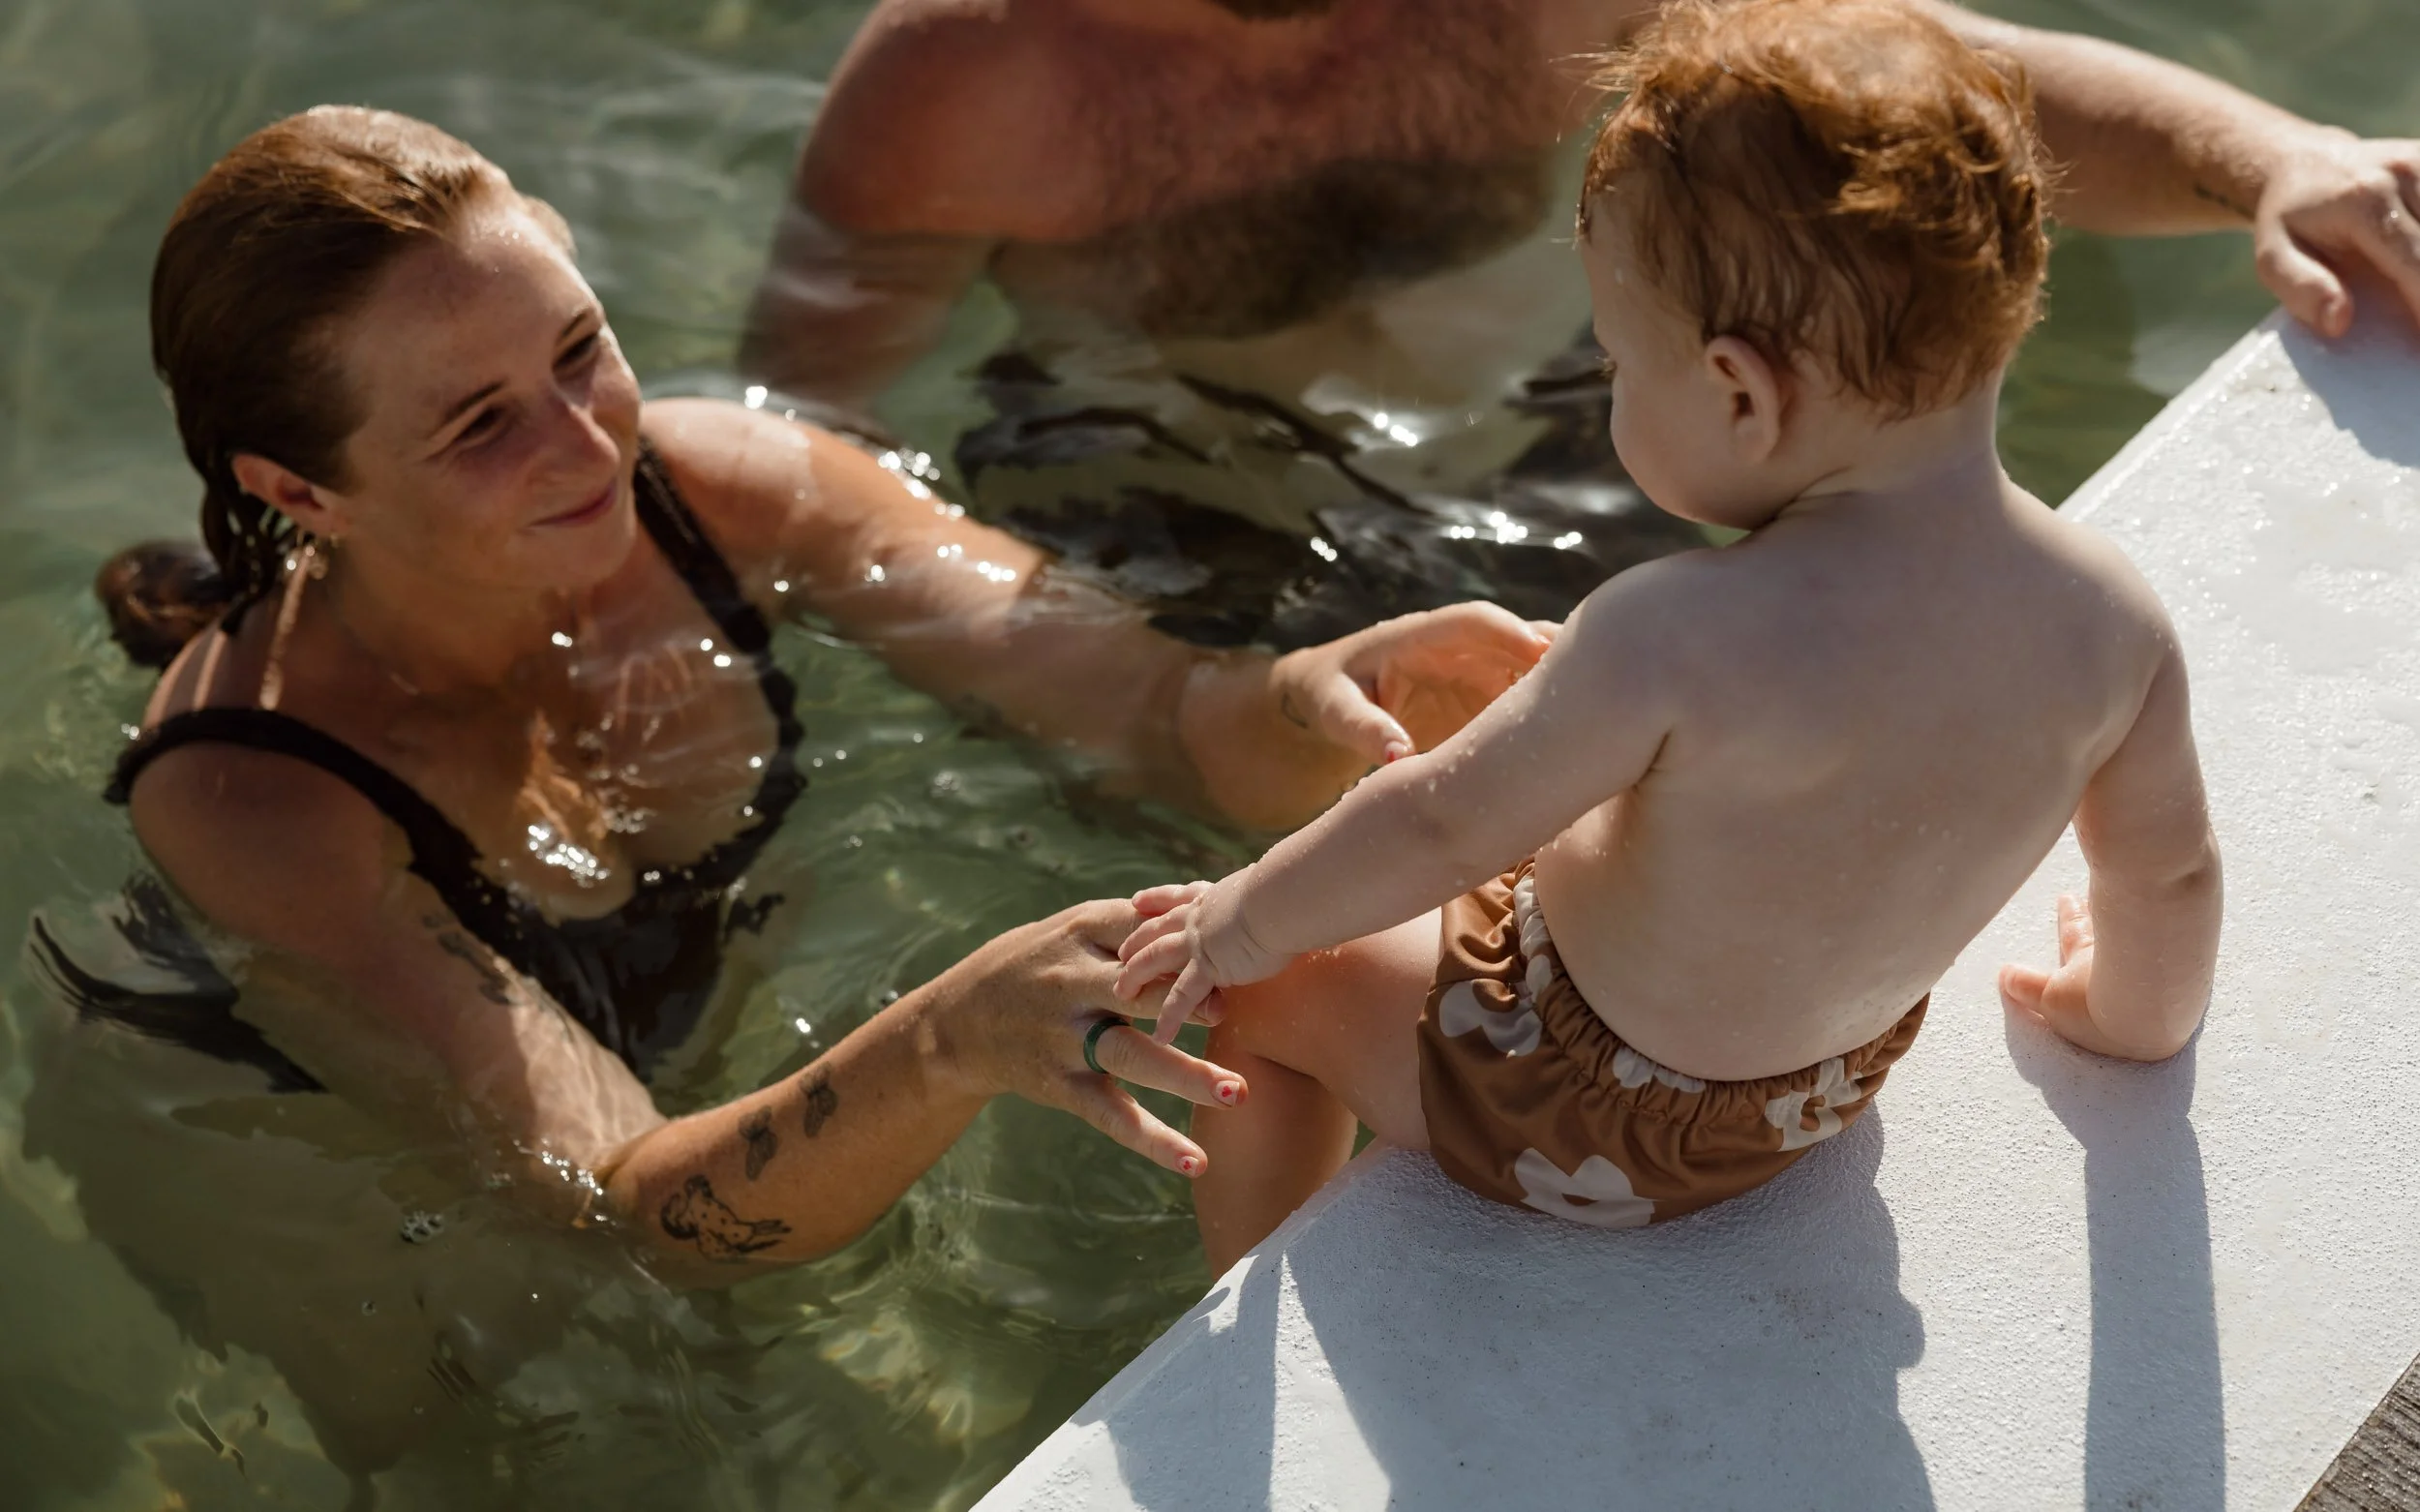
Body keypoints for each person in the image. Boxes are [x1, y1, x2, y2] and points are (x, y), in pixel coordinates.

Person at [81, 106, 1556, 1285]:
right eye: (479, 425)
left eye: (581, 349)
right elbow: (619, 1210)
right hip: (330, 1180)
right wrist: (952, 1035)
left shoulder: (724, 490)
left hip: (698, 1045)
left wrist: (1311, 692)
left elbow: (1155, 712)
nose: (587, 445)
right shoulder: (252, 792)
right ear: (297, 491)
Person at [1112, 0, 2224, 1274]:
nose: (1611, 388)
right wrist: (2120, 1019)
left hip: (1579, 1119)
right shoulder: (2110, 621)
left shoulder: (1673, 634)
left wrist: (1239, 921)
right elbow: (2169, 874)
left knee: (1279, 980)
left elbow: (1435, 824)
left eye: (1618, 364)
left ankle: (1240, 1272)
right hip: (1812, 1096)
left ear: (1741, 393)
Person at [737, 0, 2420, 659]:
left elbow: (1907, 91)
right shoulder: (970, 76)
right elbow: (792, 447)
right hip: (1170, 485)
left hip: (1571, 423)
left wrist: (2267, 158)